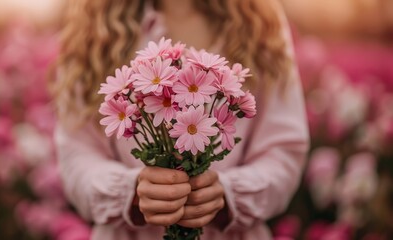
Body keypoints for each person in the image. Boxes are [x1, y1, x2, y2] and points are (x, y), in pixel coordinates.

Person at [51, 0, 309, 239]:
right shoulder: (93, 28)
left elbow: (284, 150)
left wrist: (228, 194)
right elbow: (76, 155)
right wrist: (130, 192)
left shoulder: (262, 22)